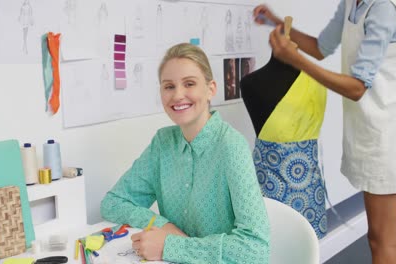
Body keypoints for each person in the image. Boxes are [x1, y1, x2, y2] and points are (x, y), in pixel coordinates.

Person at [254, 1, 396, 263]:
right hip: (373, 131)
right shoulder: (350, 4)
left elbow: (357, 87)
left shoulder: (383, 9)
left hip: (388, 135)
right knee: (393, 233)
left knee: (382, 239)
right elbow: (321, 48)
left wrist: (295, 58)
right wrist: (276, 22)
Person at [101, 43, 270, 263]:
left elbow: (255, 249)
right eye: (168, 86)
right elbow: (113, 203)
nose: (178, 95)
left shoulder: (231, 146)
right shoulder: (163, 143)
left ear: (211, 89)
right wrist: (164, 226)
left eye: (189, 83)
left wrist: (170, 245)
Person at [240, 52, 327, 238]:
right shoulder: (249, 83)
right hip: (270, 188)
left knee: (308, 249)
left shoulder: (316, 79)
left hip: (307, 187)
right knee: (274, 246)